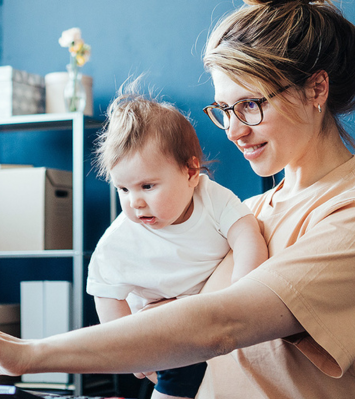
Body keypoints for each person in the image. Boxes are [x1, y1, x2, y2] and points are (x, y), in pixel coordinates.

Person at [0, 0, 355, 397]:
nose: (234, 130)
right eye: (223, 109)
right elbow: (182, 330)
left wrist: (29, 354)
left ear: (316, 89)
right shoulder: (253, 213)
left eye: (250, 105)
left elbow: (218, 324)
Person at [86, 82, 268, 399]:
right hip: (165, 327)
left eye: (147, 186)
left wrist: (245, 287)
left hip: (214, 315)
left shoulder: (209, 197)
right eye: (123, 189)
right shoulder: (120, 242)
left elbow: (246, 230)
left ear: (190, 172)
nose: (135, 202)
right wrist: (130, 350)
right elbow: (105, 291)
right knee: (177, 381)